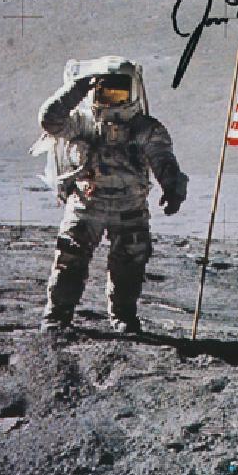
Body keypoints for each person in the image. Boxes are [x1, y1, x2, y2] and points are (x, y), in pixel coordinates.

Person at [37, 58, 187, 333]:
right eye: (106, 92)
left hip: (129, 206)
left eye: (119, 93)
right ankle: (57, 315)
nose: (113, 100)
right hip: (87, 204)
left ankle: (124, 317)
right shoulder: (83, 123)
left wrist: (173, 186)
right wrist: (76, 89)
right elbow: (50, 120)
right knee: (70, 258)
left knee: (130, 265)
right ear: (94, 92)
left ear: (133, 92)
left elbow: (163, 159)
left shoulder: (145, 129)